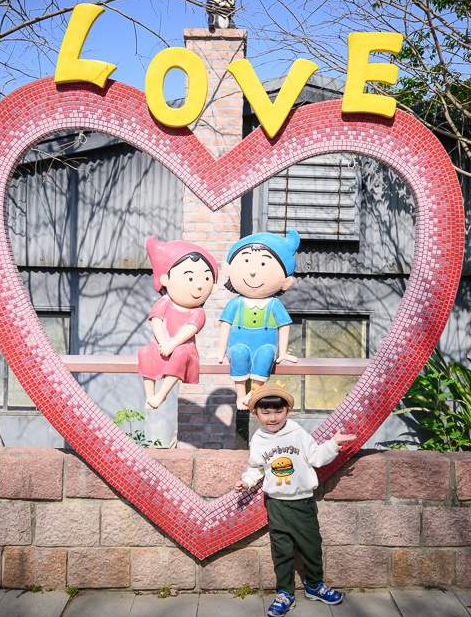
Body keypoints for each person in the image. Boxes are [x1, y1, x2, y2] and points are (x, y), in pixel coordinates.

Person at [234, 383, 357, 617]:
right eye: (266, 412)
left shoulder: (297, 432)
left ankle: (315, 586)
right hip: (276, 504)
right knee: (281, 550)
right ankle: (284, 594)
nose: (272, 418)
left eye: (278, 412)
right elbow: (256, 469)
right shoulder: (258, 439)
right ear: (255, 413)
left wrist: (333, 443)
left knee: (311, 546)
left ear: (287, 411)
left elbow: (317, 457)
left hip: (302, 503)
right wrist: (246, 482)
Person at [213, 230, 300, 410]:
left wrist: (282, 352)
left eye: (262, 264)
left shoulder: (273, 304)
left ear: (285, 281)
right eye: (246, 261)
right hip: (238, 343)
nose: (252, 271)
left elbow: (284, 326)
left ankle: (253, 393)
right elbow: (225, 326)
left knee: (266, 356)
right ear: (228, 270)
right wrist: (220, 350)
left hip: (265, 344)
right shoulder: (236, 303)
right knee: (238, 354)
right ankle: (241, 396)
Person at [138, 236, 219, 410]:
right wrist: (163, 343)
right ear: (165, 280)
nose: (198, 286)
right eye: (190, 278)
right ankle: (150, 395)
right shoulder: (165, 302)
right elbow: (156, 321)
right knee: (146, 352)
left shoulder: (198, 312)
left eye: (205, 280)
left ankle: (162, 394)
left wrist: (172, 344)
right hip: (161, 344)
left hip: (185, 348)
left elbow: (189, 330)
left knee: (181, 353)